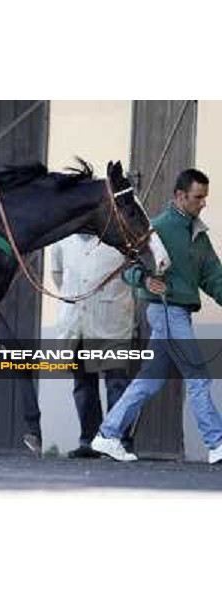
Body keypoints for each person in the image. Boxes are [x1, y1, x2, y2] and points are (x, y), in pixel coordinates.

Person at [92, 168, 222, 464]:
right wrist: (145, 280)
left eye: (205, 197)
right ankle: (217, 443)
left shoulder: (197, 234)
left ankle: (108, 434)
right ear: (179, 196)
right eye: (197, 197)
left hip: (178, 314)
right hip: (166, 311)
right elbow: (128, 268)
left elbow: (214, 277)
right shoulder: (157, 228)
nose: (203, 203)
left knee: (149, 381)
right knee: (198, 377)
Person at [51, 234, 134, 458]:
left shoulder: (117, 235)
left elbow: (135, 272)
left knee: (116, 381)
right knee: (83, 382)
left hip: (112, 317)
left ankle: (118, 440)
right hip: (76, 320)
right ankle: (89, 441)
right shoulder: (63, 238)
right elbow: (57, 274)